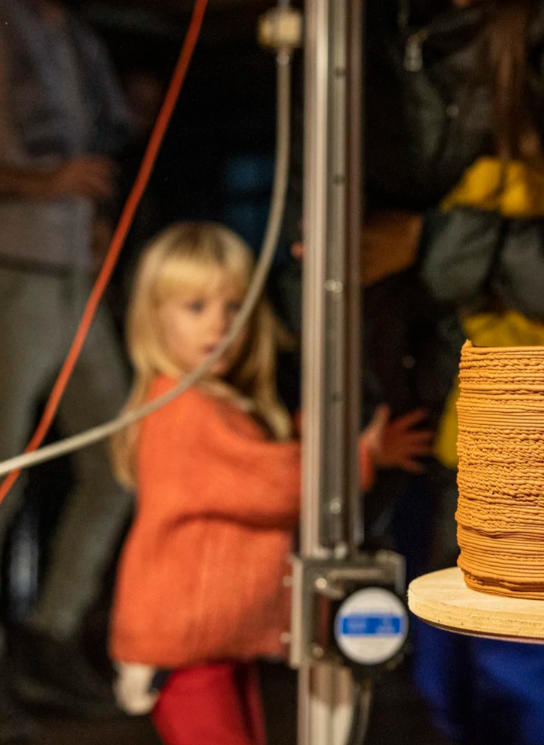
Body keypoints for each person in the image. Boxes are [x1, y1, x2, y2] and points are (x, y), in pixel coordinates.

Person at [360, 2, 544, 743]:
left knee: (531, 670)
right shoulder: (364, 26)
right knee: (444, 673)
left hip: (536, 427)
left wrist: (426, 243)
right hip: (416, 415)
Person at [107, 223, 430, 745]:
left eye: (235, 306)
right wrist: (362, 455)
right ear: (153, 318)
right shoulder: (183, 407)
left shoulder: (214, 404)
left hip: (216, 644)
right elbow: (273, 486)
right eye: (196, 307)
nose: (221, 324)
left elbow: (253, 469)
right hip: (185, 655)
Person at [0, 0, 136, 731]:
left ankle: (46, 637)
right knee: (3, 472)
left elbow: (107, 135)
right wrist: (48, 184)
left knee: (118, 455)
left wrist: (88, 209)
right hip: (13, 269)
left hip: (77, 273)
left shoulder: (77, 36)